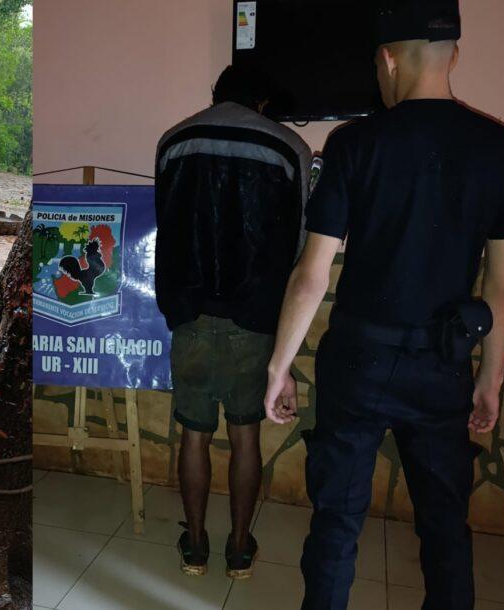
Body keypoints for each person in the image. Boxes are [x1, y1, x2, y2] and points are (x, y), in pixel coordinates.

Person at [263, 1, 504, 608]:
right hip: (443, 366)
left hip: (358, 361)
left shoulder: (354, 143)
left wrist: (280, 366)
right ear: (453, 56)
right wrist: (490, 381)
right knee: (445, 528)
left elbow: (311, 274)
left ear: (386, 59)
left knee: (337, 522)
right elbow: (503, 285)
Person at [154, 65, 311, 579]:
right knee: (246, 438)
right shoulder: (289, 147)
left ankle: (195, 547)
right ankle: (240, 550)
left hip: (190, 316)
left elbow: (166, 225)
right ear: (262, 102)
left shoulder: (173, 141)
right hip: (255, 320)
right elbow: (300, 244)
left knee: (193, 436)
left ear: (215, 95)